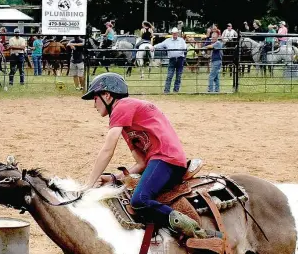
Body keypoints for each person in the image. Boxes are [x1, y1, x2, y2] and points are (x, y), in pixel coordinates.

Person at [80, 73, 214, 239]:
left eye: (95, 98)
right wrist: (115, 178)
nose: (94, 104)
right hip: (162, 161)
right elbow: (141, 163)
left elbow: (108, 150)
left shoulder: (121, 107)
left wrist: (88, 185)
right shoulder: (128, 122)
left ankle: (193, 230)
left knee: (139, 200)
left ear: (107, 95)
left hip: (165, 159)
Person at [152, 27, 186, 93]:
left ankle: (176, 90)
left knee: (178, 76)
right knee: (169, 75)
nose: (175, 34)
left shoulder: (182, 40)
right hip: (172, 59)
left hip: (180, 59)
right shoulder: (168, 41)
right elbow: (160, 45)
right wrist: (154, 46)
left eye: (176, 33)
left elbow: (184, 48)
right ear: (172, 33)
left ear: (178, 33)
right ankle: (167, 90)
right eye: (174, 33)